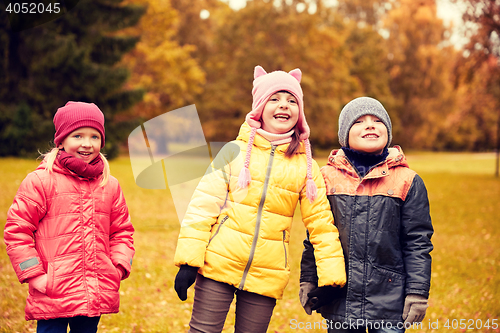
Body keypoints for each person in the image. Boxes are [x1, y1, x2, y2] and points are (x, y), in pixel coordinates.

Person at [173, 65, 346, 333]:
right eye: (274, 99)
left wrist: (331, 278)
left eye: (291, 100)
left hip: (268, 272)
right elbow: (202, 207)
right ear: (260, 107)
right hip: (218, 263)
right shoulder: (234, 151)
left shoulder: (306, 167)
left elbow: (321, 225)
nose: (284, 106)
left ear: (299, 112)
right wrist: (188, 261)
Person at [299, 97, 434, 333]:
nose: (370, 125)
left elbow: (417, 243)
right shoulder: (326, 178)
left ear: (388, 132)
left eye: (377, 120)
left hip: (390, 300)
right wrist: (309, 277)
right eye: (359, 121)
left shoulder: (407, 181)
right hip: (341, 297)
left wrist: (417, 292)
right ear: (345, 135)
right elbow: (317, 234)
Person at [4, 101, 135, 333]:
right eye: (77, 136)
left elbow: (122, 231)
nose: (87, 144)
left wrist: (118, 267)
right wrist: (34, 276)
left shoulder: (109, 184)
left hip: (94, 289)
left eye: (95, 137)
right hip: (52, 291)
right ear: (62, 140)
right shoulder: (41, 181)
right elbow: (18, 231)